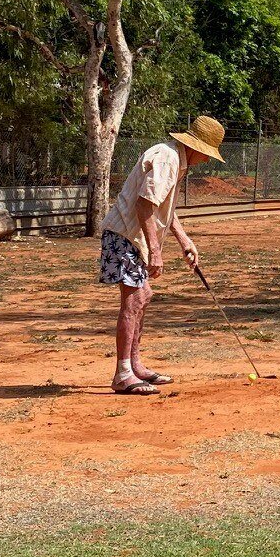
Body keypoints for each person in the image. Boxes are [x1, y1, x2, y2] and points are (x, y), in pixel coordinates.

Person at [99, 115, 224, 395]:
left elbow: (163, 207)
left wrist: (184, 241)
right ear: (196, 147)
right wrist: (155, 251)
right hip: (124, 235)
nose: (205, 161)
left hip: (132, 237)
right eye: (206, 155)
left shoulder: (175, 160)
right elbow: (144, 205)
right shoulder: (168, 158)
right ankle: (122, 374)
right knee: (134, 299)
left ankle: (135, 366)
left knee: (144, 296)